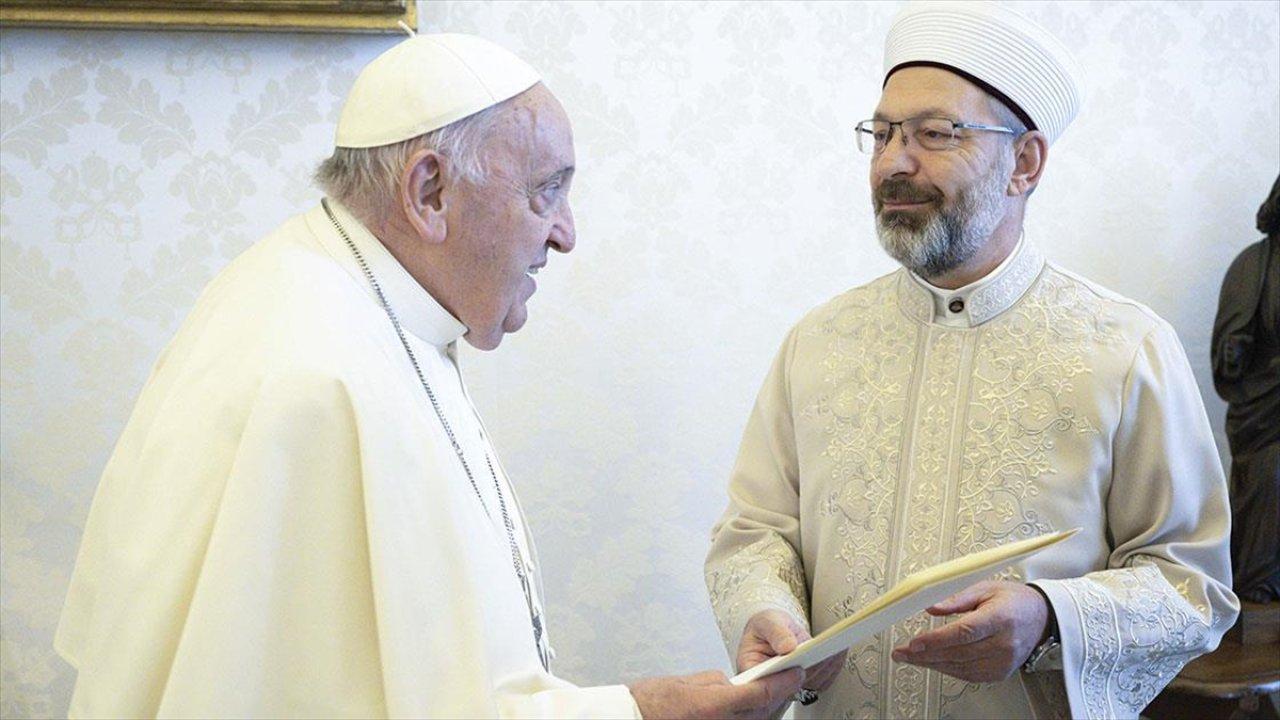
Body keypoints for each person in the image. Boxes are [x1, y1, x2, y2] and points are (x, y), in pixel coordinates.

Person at [54, 33, 801, 719]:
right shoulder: (317, 375)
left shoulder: (349, 298)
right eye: (545, 191)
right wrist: (644, 711)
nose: (566, 234)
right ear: (429, 193)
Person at [704, 3, 1239, 719]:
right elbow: (754, 532)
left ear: (1024, 162)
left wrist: (1048, 618)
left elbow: (1192, 589)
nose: (894, 163)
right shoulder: (820, 340)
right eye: (883, 134)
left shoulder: (1125, 347)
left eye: (935, 134)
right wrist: (764, 611)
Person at [1212, 174, 1280, 603]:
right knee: (1271, 474)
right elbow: (1229, 351)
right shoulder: (1254, 265)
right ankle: (1260, 582)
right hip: (1266, 407)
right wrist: (1233, 351)